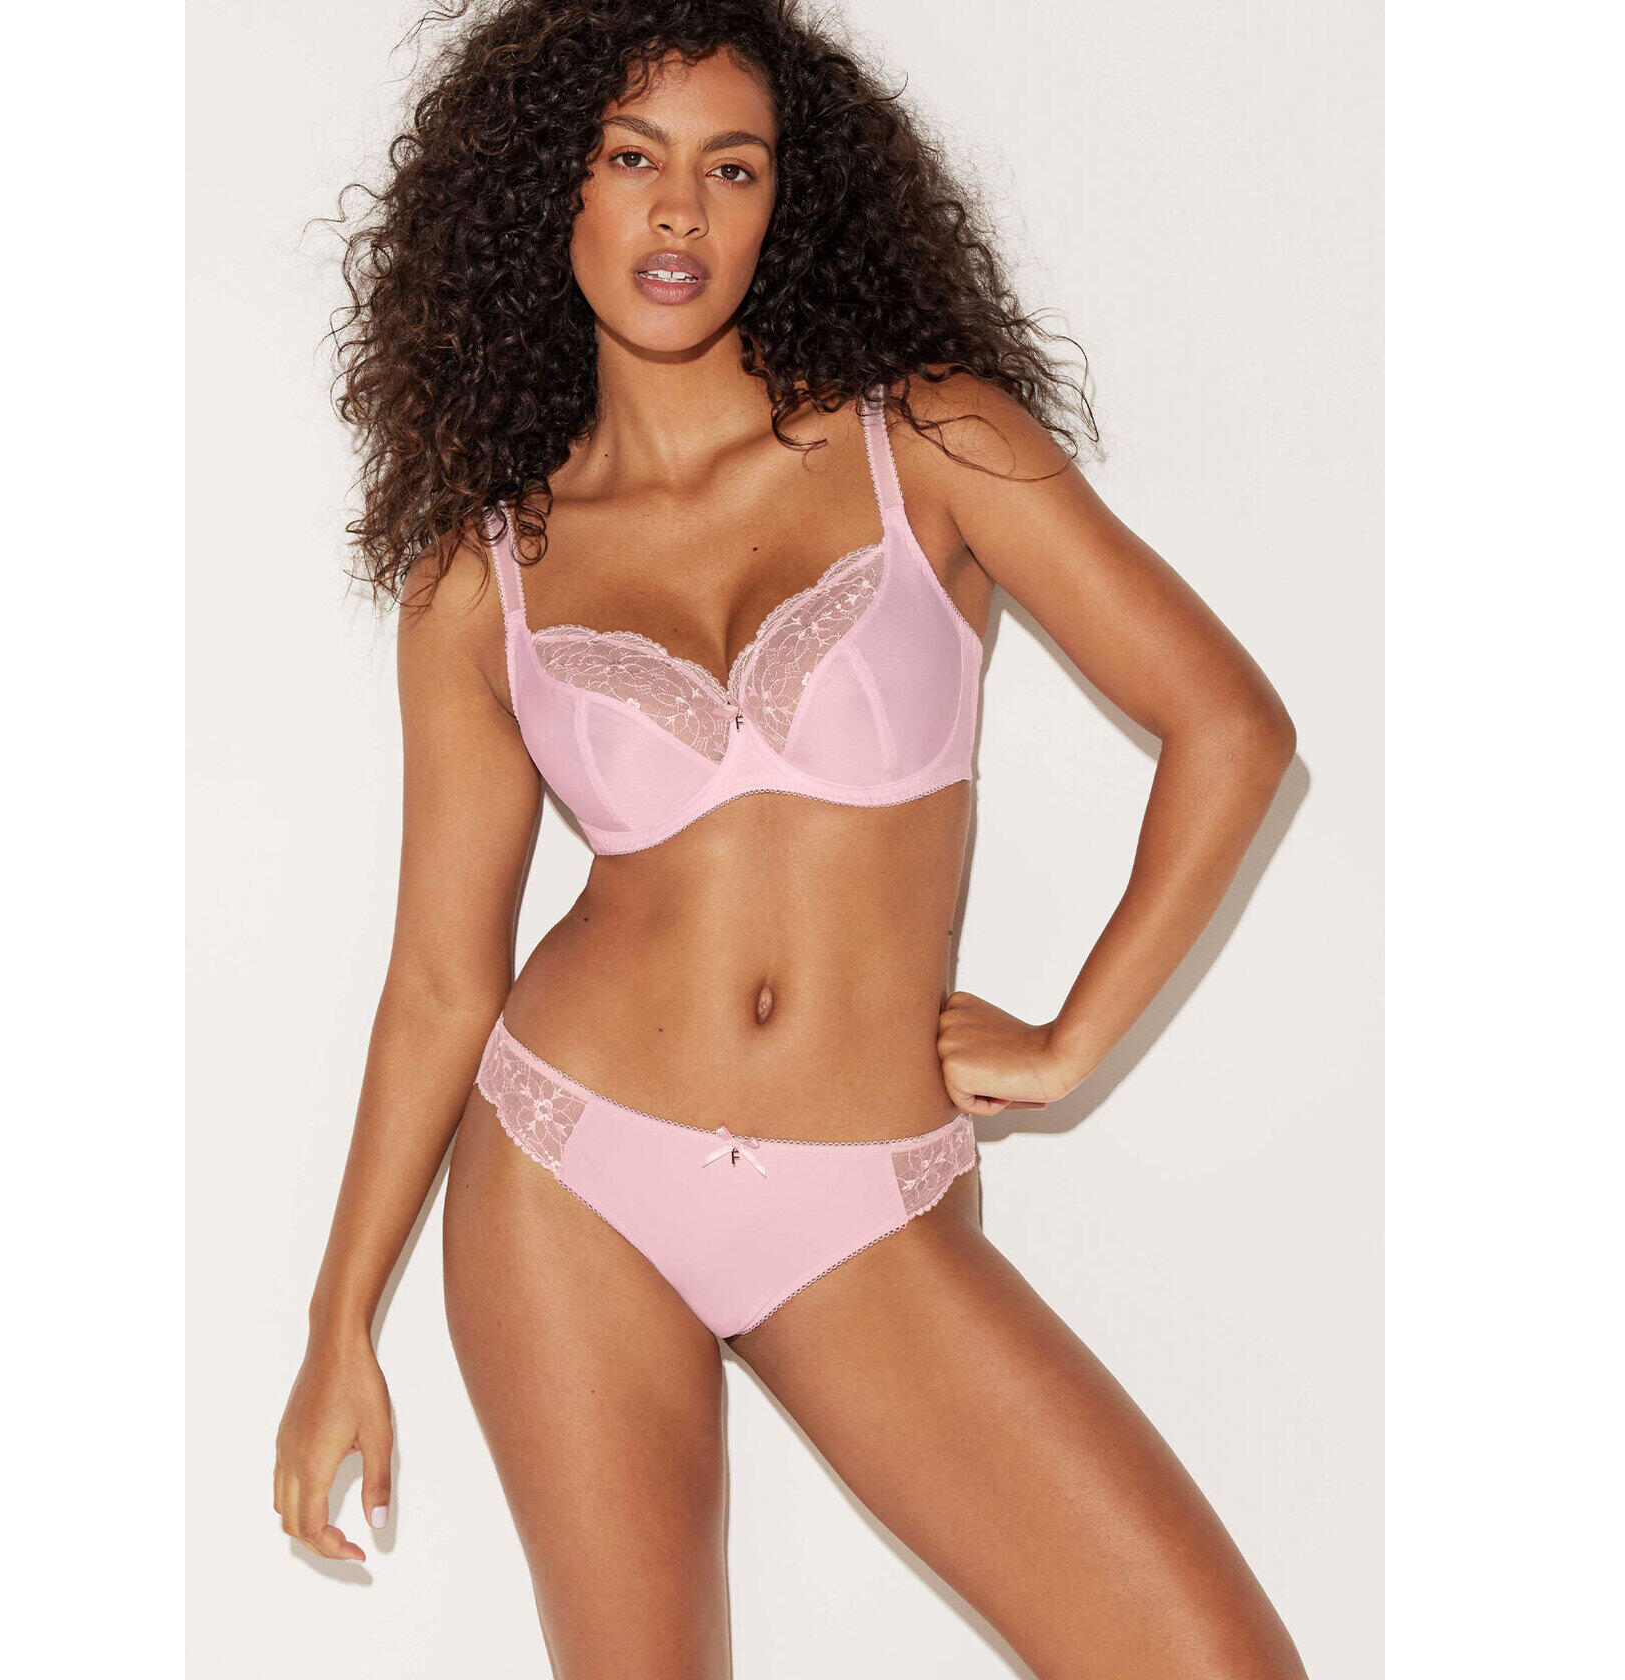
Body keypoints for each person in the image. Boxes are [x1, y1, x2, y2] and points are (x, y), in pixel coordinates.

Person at [274, 4, 1306, 1676]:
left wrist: (1074, 1041)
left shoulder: (932, 444)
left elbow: (1231, 726)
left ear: (785, 202)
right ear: (549, 190)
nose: (680, 210)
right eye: (632, 157)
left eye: (732, 167)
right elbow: (442, 980)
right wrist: (340, 1327)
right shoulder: (484, 573)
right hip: (566, 1173)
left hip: (863, 1203)